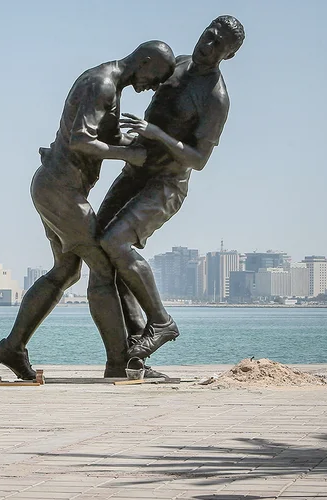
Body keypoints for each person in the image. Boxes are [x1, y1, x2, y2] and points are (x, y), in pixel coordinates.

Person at [0, 41, 176, 379]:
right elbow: (80, 139)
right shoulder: (103, 84)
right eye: (158, 76)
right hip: (62, 192)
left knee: (65, 271)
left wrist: (145, 141)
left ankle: (12, 348)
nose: (155, 85)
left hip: (54, 188)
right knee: (104, 267)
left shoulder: (111, 86)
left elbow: (103, 135)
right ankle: (119, 364)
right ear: (145, 61)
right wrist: (130, 156)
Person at [96, 15, 245, 359]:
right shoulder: (177, 63)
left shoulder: (215, 98)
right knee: (101, 246)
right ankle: (132, 350)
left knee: (114, 241)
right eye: (209, 36)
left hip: (166, 185)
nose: (208, 46)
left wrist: (157, 135)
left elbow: (199, 159)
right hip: (136, 171)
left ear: (228, 56)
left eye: (218, 45)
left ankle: (161, 322)